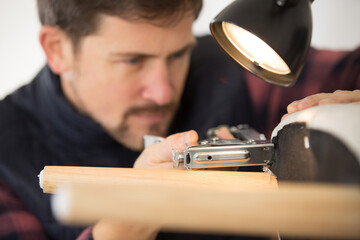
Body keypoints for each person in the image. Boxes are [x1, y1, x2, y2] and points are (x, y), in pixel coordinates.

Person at [0, 0, 359, 239]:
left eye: (177, 55)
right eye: (132, 61)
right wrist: (121, 229)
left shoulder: (235, 63)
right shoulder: (6, 155)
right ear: (57, 49)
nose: (163, 92)